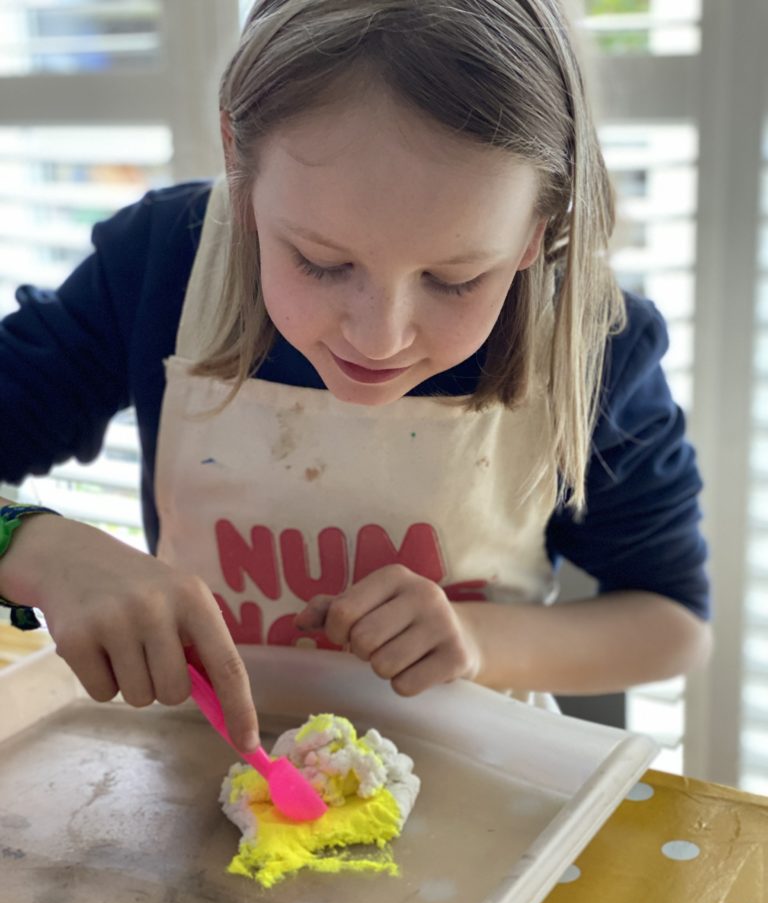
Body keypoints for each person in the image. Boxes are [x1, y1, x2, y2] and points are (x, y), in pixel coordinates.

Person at [0, 0, 711, 753]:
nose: (380, 338)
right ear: (239, 165)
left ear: (537, 227)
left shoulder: (597, 344)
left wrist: (474, 638)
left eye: (456, 277)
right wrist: (34, 547)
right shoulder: (160, 267)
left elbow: (672, 627)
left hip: (477, 799)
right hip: (199, 772)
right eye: (322, 262)